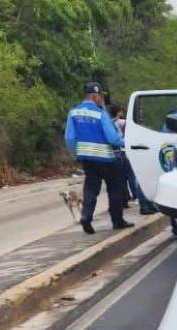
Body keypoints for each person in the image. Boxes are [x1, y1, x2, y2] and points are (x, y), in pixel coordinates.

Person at [64, 82, 132, 234]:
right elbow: (112, 138)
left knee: (90, 188)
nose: (102, 100)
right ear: (95, 97)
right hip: (106, 159)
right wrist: (125, 143)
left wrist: (77, 154)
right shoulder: (101, 113)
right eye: (101, 97)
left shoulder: (73, 112)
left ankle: (86, 217)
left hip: (87, 159)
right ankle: (117, 221)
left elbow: (69, 137)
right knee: (114, 189)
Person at [108, 103, 156, 215]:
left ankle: (126, 200)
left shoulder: (110, 123)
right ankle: (140, 201)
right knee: (134, 177)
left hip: (117, 153)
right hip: (126, 151)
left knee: (122, 178)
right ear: (119, 112)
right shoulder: (123, 122)